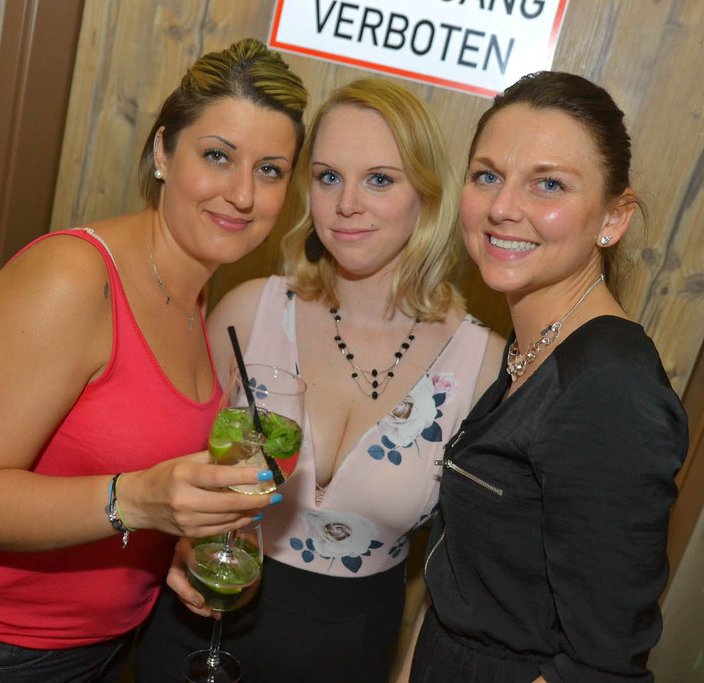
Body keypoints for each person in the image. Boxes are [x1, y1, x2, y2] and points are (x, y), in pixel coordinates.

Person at [0, 39, 307, 683]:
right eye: (217, 156)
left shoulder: (195, 296)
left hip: (106, 649)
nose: (243, 194)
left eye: (270, 170)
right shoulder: (73, 278)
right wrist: (139, 502)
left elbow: (112, 466)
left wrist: (180, 541)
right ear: (163, 152)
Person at [134, 78, 505, 682]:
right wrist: (181, 542)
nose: (346, 204)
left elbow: (460, 572)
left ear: (427, 195)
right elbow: (167, 475)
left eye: (379, 180)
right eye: (329, 177)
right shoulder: (249, 311)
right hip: (202, 624)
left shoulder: (483, 365)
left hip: (350, 652)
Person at [407, 71, 689, 682]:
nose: (503, 208)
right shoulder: (537, 343)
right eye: (488, 176)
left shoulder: (610, 389)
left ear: (614, 217)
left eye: (549, 184)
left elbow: (601, 666)